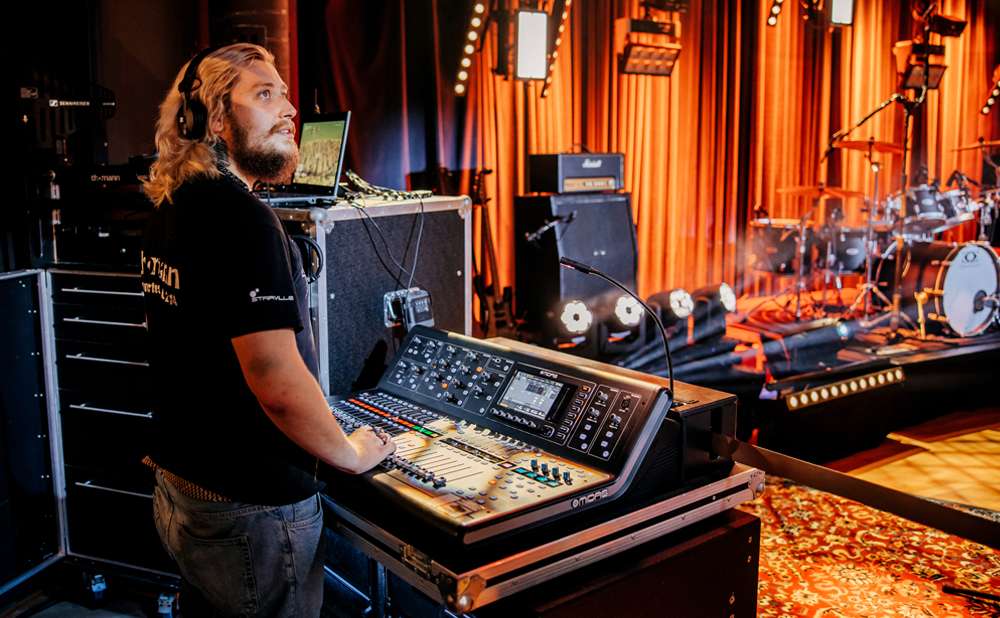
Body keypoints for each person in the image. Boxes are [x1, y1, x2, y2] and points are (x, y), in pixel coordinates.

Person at [139, 43, 395, 617]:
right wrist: (349, 453)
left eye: (283, 94)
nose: (289, 109)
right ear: (211, 118)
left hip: (184, 489)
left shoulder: (172, 204)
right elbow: (275, 380)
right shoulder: (243, 219)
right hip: (250, 509)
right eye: (264, 94)